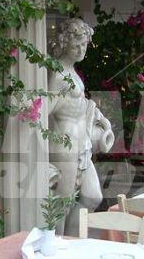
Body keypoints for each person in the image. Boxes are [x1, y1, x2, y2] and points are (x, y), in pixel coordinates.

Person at [47, 18, 115, 235]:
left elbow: (78, 104)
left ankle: (70, 240)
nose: (81, 49)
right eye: (76, 45)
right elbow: (45, 110)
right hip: (65, 142)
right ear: (64, 43)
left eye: (84, 44)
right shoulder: (58, 74)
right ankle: (57, 243)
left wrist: (98, 116)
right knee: (62, 203)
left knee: (92, 196)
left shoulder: (72, 72)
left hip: (81, 142)